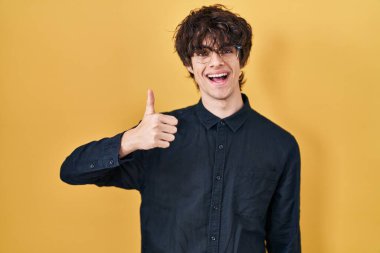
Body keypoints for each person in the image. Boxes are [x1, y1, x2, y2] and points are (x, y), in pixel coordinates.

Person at [60, 4, 301, 253]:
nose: (216, 62)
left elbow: (285, 240)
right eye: (203, 53)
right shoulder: (156, 134)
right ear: (189, 64)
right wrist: (128, 141)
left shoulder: (280, 145)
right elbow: (71, 171)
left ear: (241, 58)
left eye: (226, 50)